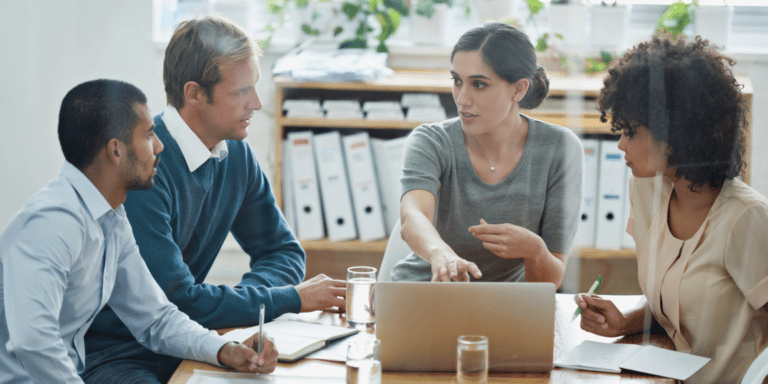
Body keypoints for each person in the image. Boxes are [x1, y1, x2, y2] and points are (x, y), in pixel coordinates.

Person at [82, 16, 346, 384]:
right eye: (242, 92)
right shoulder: (141, 169)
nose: (256, 103)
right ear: (194, 93)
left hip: (194, 341)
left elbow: (282, 252)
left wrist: (247, 309)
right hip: (115, 354)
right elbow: (178, 300)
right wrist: (288, 299)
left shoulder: (235, 156)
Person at [0, 79, 278, 384]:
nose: (159, 146)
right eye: (148, 135)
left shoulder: (111, 218)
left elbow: (155, 319)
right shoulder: (52, 224)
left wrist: (226, 350)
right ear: (116, 151)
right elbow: (33, 342)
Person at [574, 34, 768, 383]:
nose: (619, 145)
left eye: (631, 132)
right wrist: (624, 320)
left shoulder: (746, 217)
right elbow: (678, 303)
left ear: (678, 134)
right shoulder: (646, 190)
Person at [390, 22, 583, 285]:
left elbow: (551, 281)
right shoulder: (431, 141)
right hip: (423, 293)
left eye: (479, 85)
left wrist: (535, 251)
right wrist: (441, 254)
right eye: (457, 81)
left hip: (503, 308)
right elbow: (413, 215)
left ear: (518, 89)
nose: (462, 99)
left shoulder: (560, 149)